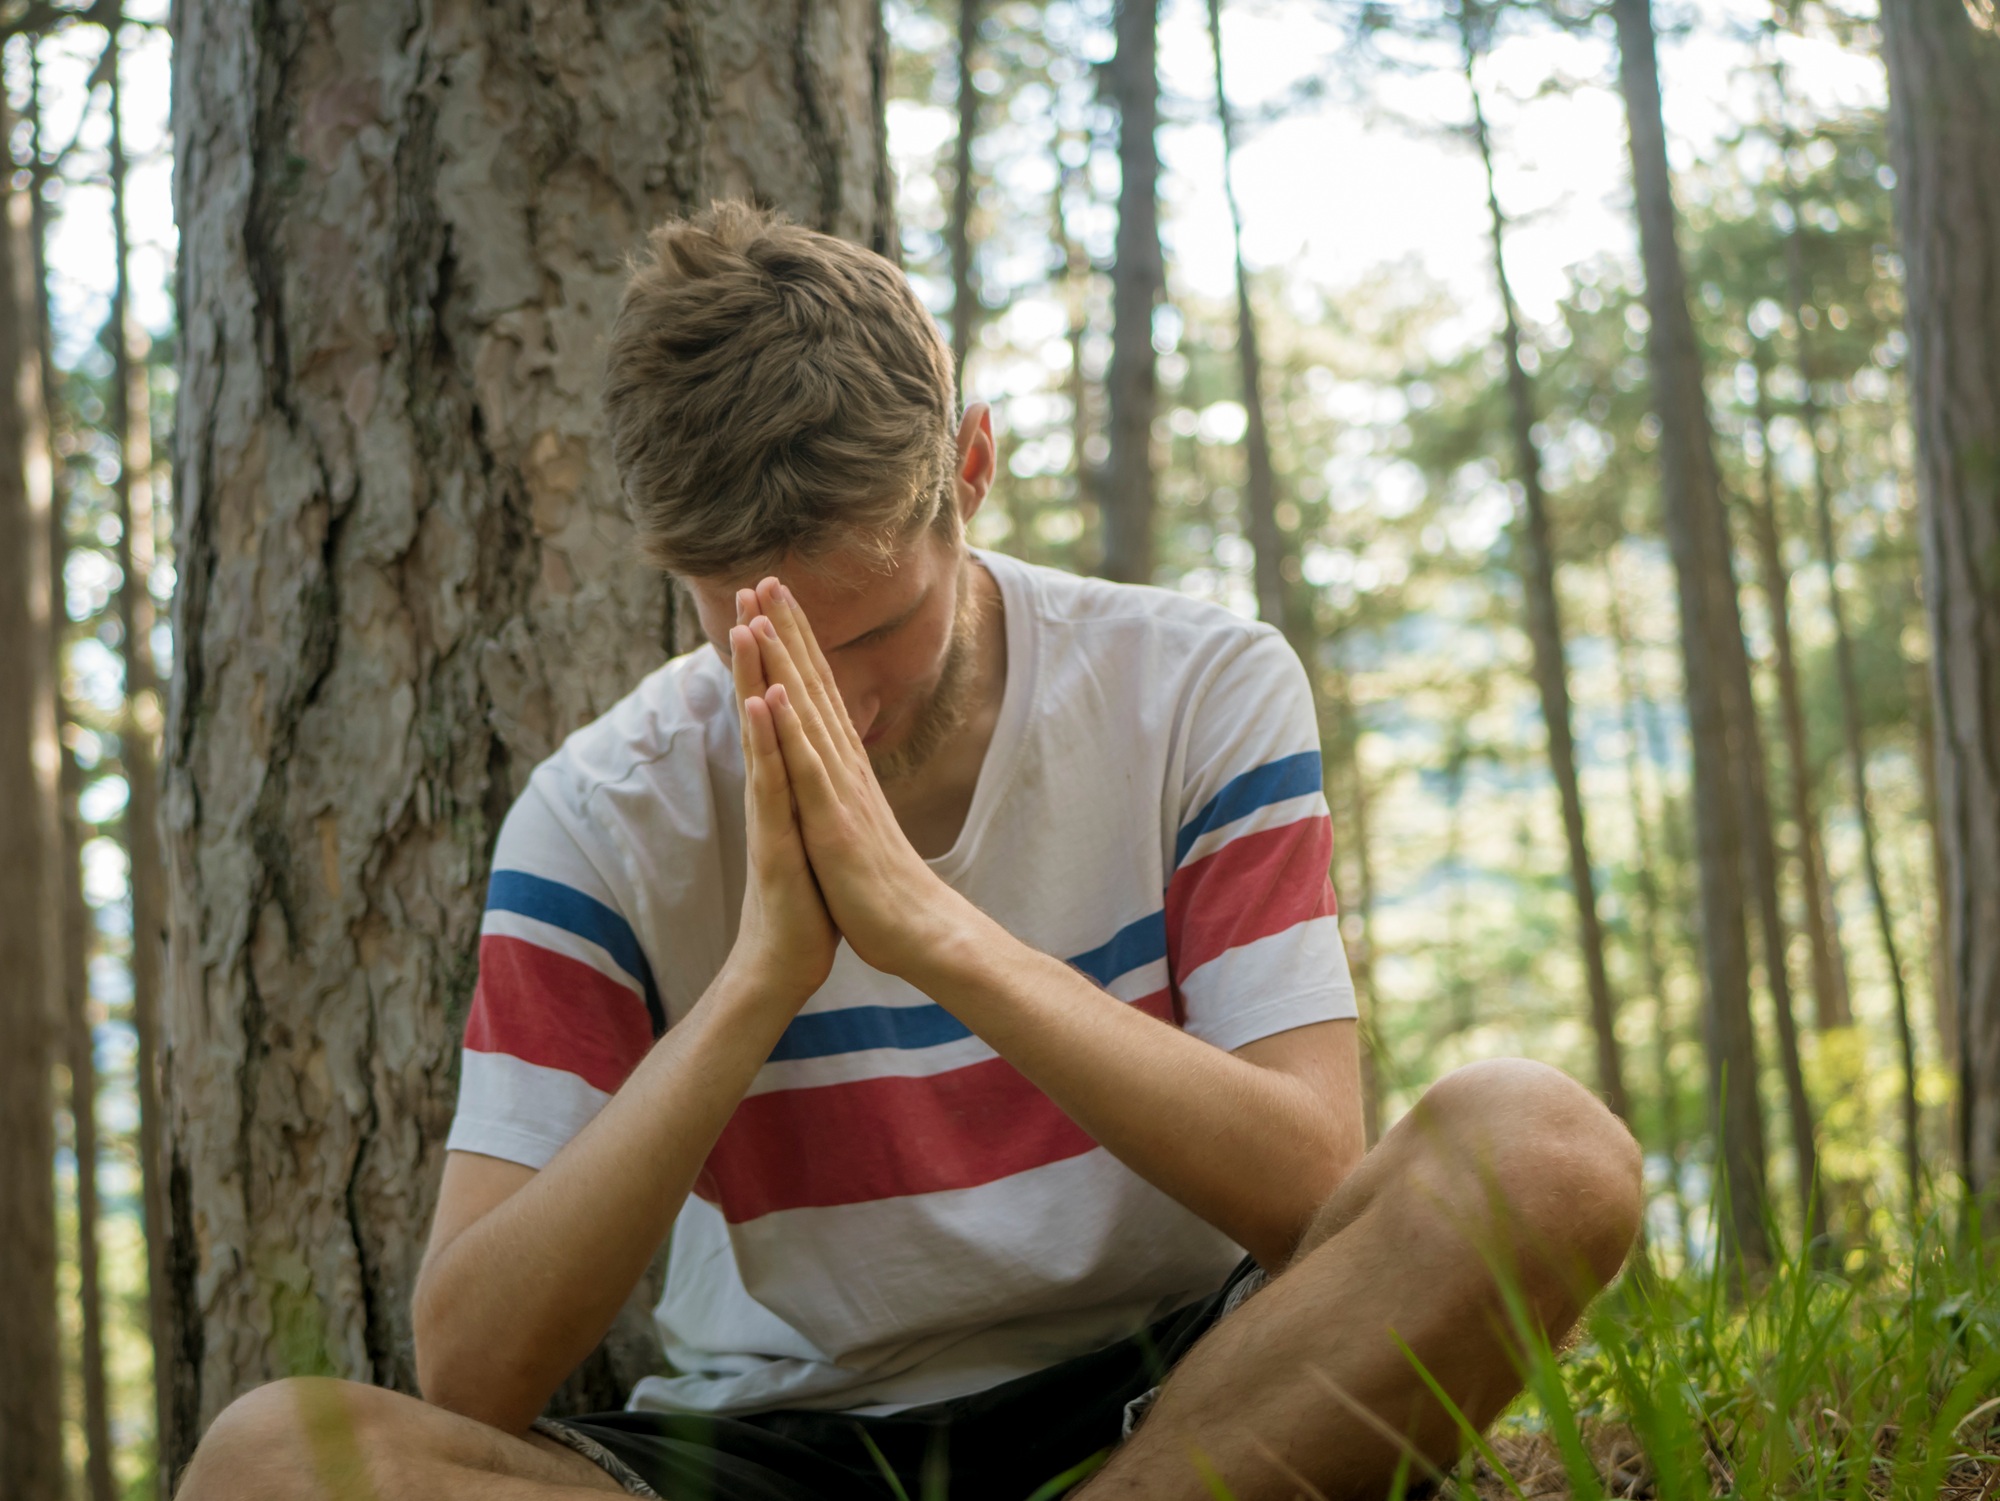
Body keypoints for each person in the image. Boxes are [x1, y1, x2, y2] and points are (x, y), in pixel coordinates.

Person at [176, 201, 1642, 1501]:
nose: (842, 706)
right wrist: (761, 977)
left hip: (1189, 1393)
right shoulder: (599, 813)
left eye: (876, 628)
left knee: (1543, 1148)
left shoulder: (1195, 687)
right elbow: (473, 1369)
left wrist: (933, 931)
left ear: (974, 468)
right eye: (757, 640)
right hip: (780, 1445)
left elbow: (1310, 1181)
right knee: (270, 1460)